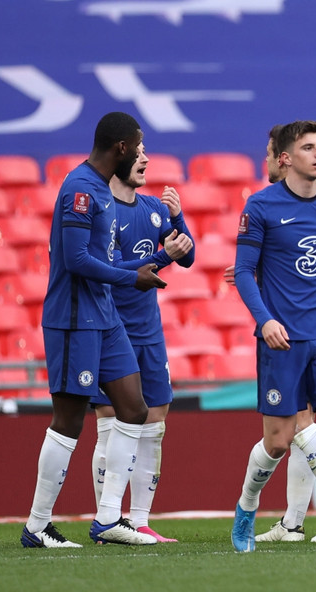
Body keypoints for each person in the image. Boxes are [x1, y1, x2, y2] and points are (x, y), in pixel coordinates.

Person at [21, 111, 167, 548]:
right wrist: (132, 277)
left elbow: (101, 261)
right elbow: (76, 260)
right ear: (120, 148)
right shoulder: (80, 191)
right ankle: (36, 526)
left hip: (104, 318)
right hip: (73, 319)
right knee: (68, 421)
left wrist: (146, 266)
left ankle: (108, 520)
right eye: (137, 147)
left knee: (135, 408)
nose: (142, 154)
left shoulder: (101, 191)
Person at [230, 120, 316, 552]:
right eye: (309, 147)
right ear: (286, 157)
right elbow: (242, 272)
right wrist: (265, 320)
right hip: (282, 340)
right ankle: (246, 508)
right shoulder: (261, 207)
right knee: (277, 441)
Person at [90, 142, 196, 543]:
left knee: (155, 421)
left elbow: (186, 255)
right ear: (117, 158)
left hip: (148, 332)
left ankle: (140, 519)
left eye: (147, 151)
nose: (146, 159)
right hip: (108, 327)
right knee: (110, 422)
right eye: (136, 152)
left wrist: (178, 218)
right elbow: (104, 268)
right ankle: (109, 519)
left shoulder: (152, 207)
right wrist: (163, 256)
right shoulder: (100, 209)